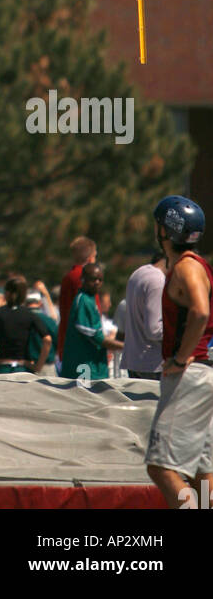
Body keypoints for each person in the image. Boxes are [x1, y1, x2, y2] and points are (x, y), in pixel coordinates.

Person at [144, 196, 213, 510]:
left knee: (162, 467)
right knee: (201, 470)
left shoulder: (186, 267)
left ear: (165, 230)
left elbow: (199, 312)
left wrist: (181, 358)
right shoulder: (198, 266)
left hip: (190, 374)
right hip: (203, 374)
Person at [59, 262, 124, 381]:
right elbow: (98, 338)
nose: (97, 282)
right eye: (93, 279)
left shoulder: (89, 299)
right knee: (83, 399)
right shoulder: (83, 301)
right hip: (84, 368)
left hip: (93, 367)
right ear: (83, 279)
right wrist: (125, 347)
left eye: (100, 279)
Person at [0, 276, 52, 374]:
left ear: (6, 293)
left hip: (2, 367)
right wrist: (38, 366)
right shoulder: (29, 315)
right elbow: (47, 340)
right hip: (23, 367)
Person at [121, 251, 167, 379]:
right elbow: (154, 330)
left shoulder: (138, 273)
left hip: (134, 361)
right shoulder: (158, 280)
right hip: (152, 365)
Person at [58, 235, 98, 364]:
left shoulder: (68, 277)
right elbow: (90, 313)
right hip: (82, 348)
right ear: (90, 258)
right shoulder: (84, 278)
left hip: (68, 343)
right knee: (84, 384)